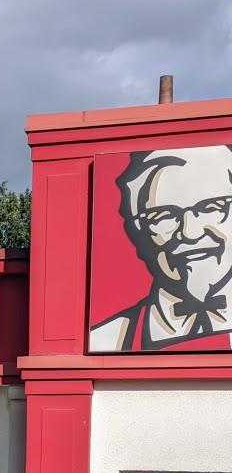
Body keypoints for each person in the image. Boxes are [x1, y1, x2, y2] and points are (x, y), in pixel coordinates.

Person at [91, 144, 232, 351]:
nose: (189, 233)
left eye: (212, 207)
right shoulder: (106, 339)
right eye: (163, 216)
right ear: (137, 233)